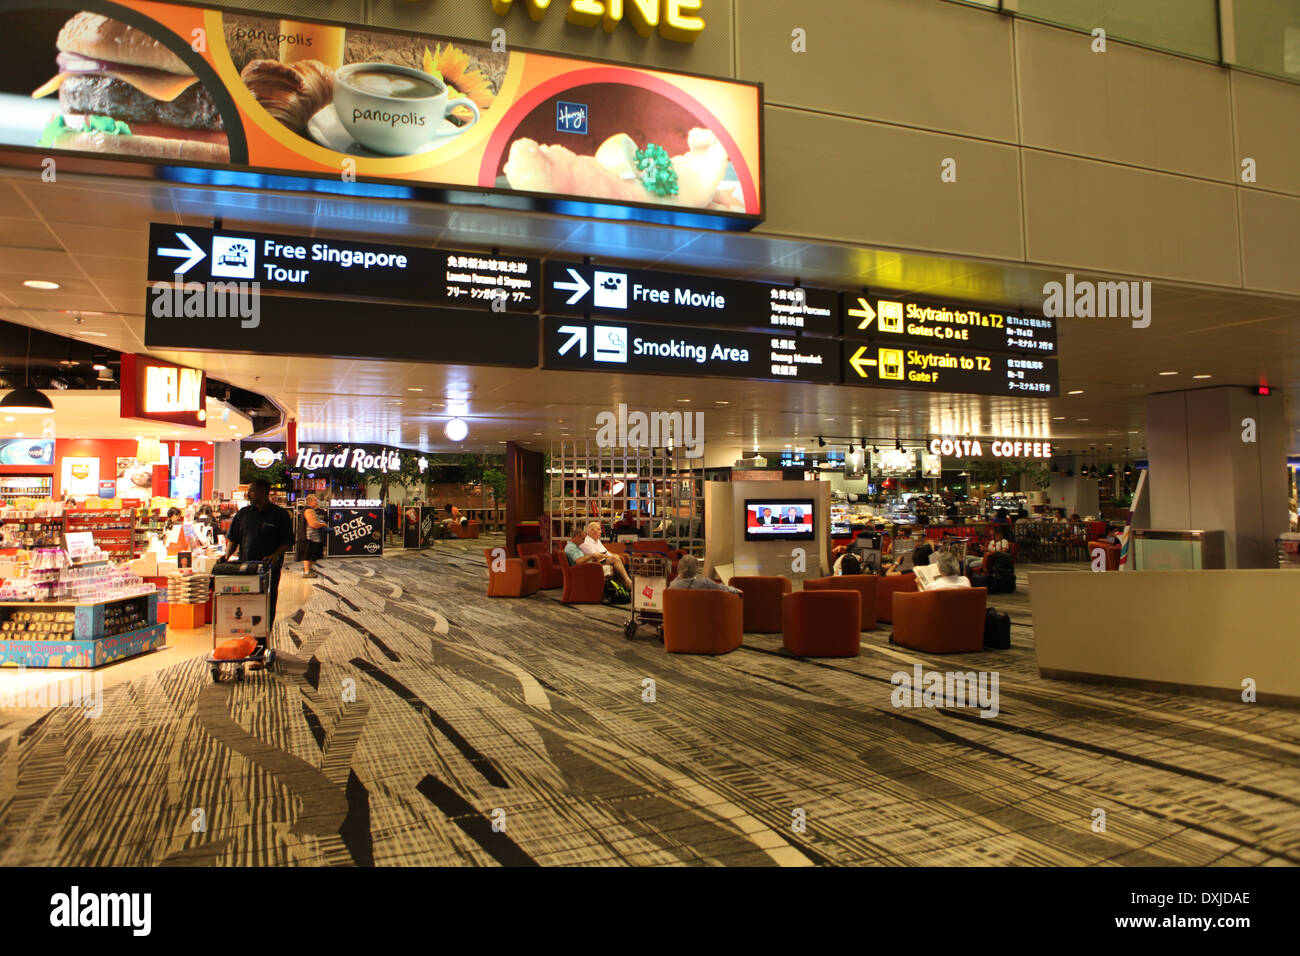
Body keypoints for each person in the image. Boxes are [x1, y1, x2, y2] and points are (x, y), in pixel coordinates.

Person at [223, 478, 294, 649]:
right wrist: (226, 557)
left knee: (266, 606)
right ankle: (247, 642)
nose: (249, 494)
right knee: (247, 605)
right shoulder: (243, 514)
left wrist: (274, 555)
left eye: (252, 490)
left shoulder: (279, 515)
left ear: (264, 492)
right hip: (246, 569)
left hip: (268, 570)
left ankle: (260, 647)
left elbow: (287, 542)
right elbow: (233, 539)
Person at [577, 520, 632, 587]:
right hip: (594, 563)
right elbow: (596, 556)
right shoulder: (585, 542)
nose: (601, 532)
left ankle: (624, 585)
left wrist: (612, 555)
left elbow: (605, 552)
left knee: (619, 559)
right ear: (592, 531)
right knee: (615, 558)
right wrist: (611, 557)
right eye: (599, 529)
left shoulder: (597, 540)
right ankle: (628, 582)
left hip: (602, 560)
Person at [669, 554, 741, 594]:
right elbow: (722, 588)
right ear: (696, 568)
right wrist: (736, 590)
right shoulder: (705, 583)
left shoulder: (672, 586)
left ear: (679, 567)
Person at [301, 493, 327, 578]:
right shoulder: (309, 510)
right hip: (311, 537)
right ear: (310, 501)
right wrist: (323, 524)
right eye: (315, 500)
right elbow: (313, 524)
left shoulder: (311, 510)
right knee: (309, 554)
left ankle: (308, 569)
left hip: (313, 537)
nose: (317, 502)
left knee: (312, 554)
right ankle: (307, 571)